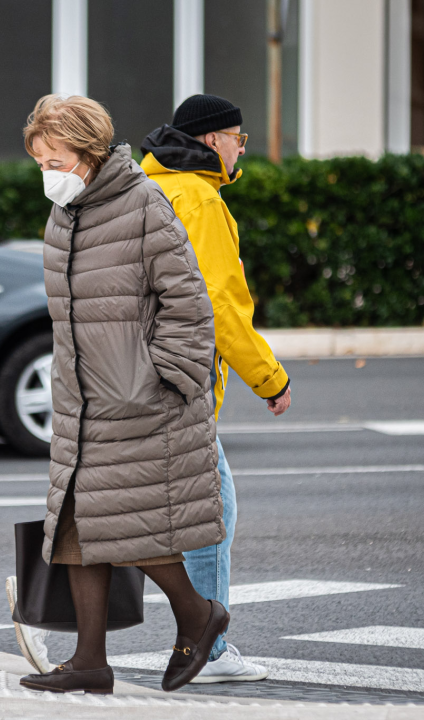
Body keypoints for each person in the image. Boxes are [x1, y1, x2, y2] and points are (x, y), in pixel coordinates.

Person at [14, 94, 228, 696]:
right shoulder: (66, 216)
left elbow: (189, 306)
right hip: (83, 402)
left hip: (137, 401)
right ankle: (90, 661)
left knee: (129, 523)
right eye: (39, 161)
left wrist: (154, 378)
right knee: (81, 527)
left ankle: (199, 614)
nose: (46, 171)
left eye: (53, 157)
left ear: (88, 152)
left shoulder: (143, 206)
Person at [137, 94, 292, 683]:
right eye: (236, 138)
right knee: (212, 508)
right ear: (210, 142)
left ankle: (200, 639)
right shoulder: (198, 199)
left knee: (151, 506)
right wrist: (268, 376)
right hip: (179, 373)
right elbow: (219, 304)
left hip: (139, 367)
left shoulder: (151, 186)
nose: (239, 148)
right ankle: (211, 647)